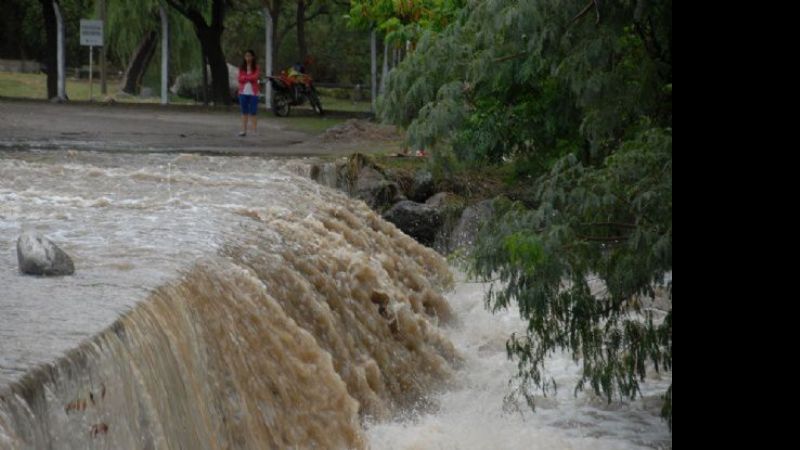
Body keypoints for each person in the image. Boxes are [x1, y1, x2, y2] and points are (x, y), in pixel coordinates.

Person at [237, 50, 260, 137]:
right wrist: (248, 78)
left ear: (252, 57)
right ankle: (243, 130)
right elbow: (240, 79)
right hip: (243, 92)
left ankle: (254, 131)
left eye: (249, 56)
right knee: (244, 111)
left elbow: (255, 77)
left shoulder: (256, 67)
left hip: (253, 93)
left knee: (253, 111)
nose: (248, 58)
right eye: (246, 56)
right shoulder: (241, 67)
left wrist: (246, 78)